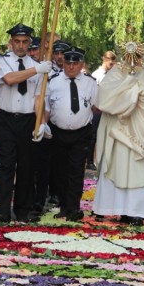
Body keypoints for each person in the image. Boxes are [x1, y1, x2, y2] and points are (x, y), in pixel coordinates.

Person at [92, 41, 144, 225]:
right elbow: (103, 98)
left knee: (139, 170)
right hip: (116, 132)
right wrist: (132, 92)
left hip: (141, 132)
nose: (134, 60)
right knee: (116, 167)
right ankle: (111, 208)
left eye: (138, 57)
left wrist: (133, 95)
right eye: (130, 57)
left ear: (143, 56)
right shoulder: (114, 74)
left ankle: (137, 211)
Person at [0, 23, 52, 222]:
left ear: (29, 43)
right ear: (11, 42)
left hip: (27, 120)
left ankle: (22, 210)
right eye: (17, 41)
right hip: (6, 119)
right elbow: (9, 79)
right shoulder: (2, 60)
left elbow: (38, 98)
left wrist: (41, 123)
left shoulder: (35, 65)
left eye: (24, 42)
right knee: (7, 165)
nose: (20, 45)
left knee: (26, 167)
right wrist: (36, 69)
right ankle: (3, 210)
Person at [41, 47, 98, 221]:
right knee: (60, 171)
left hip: (81, 133)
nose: (71, 67)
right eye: (68, 63)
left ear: (81, 65)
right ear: (63, 63)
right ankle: (64, 206)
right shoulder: (52, 81)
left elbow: (97, 107)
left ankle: (74, 208)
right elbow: (47, 107)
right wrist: (43, 124)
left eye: (75, 63)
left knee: (76, 171)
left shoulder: (91, 82)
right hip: (58, 133)